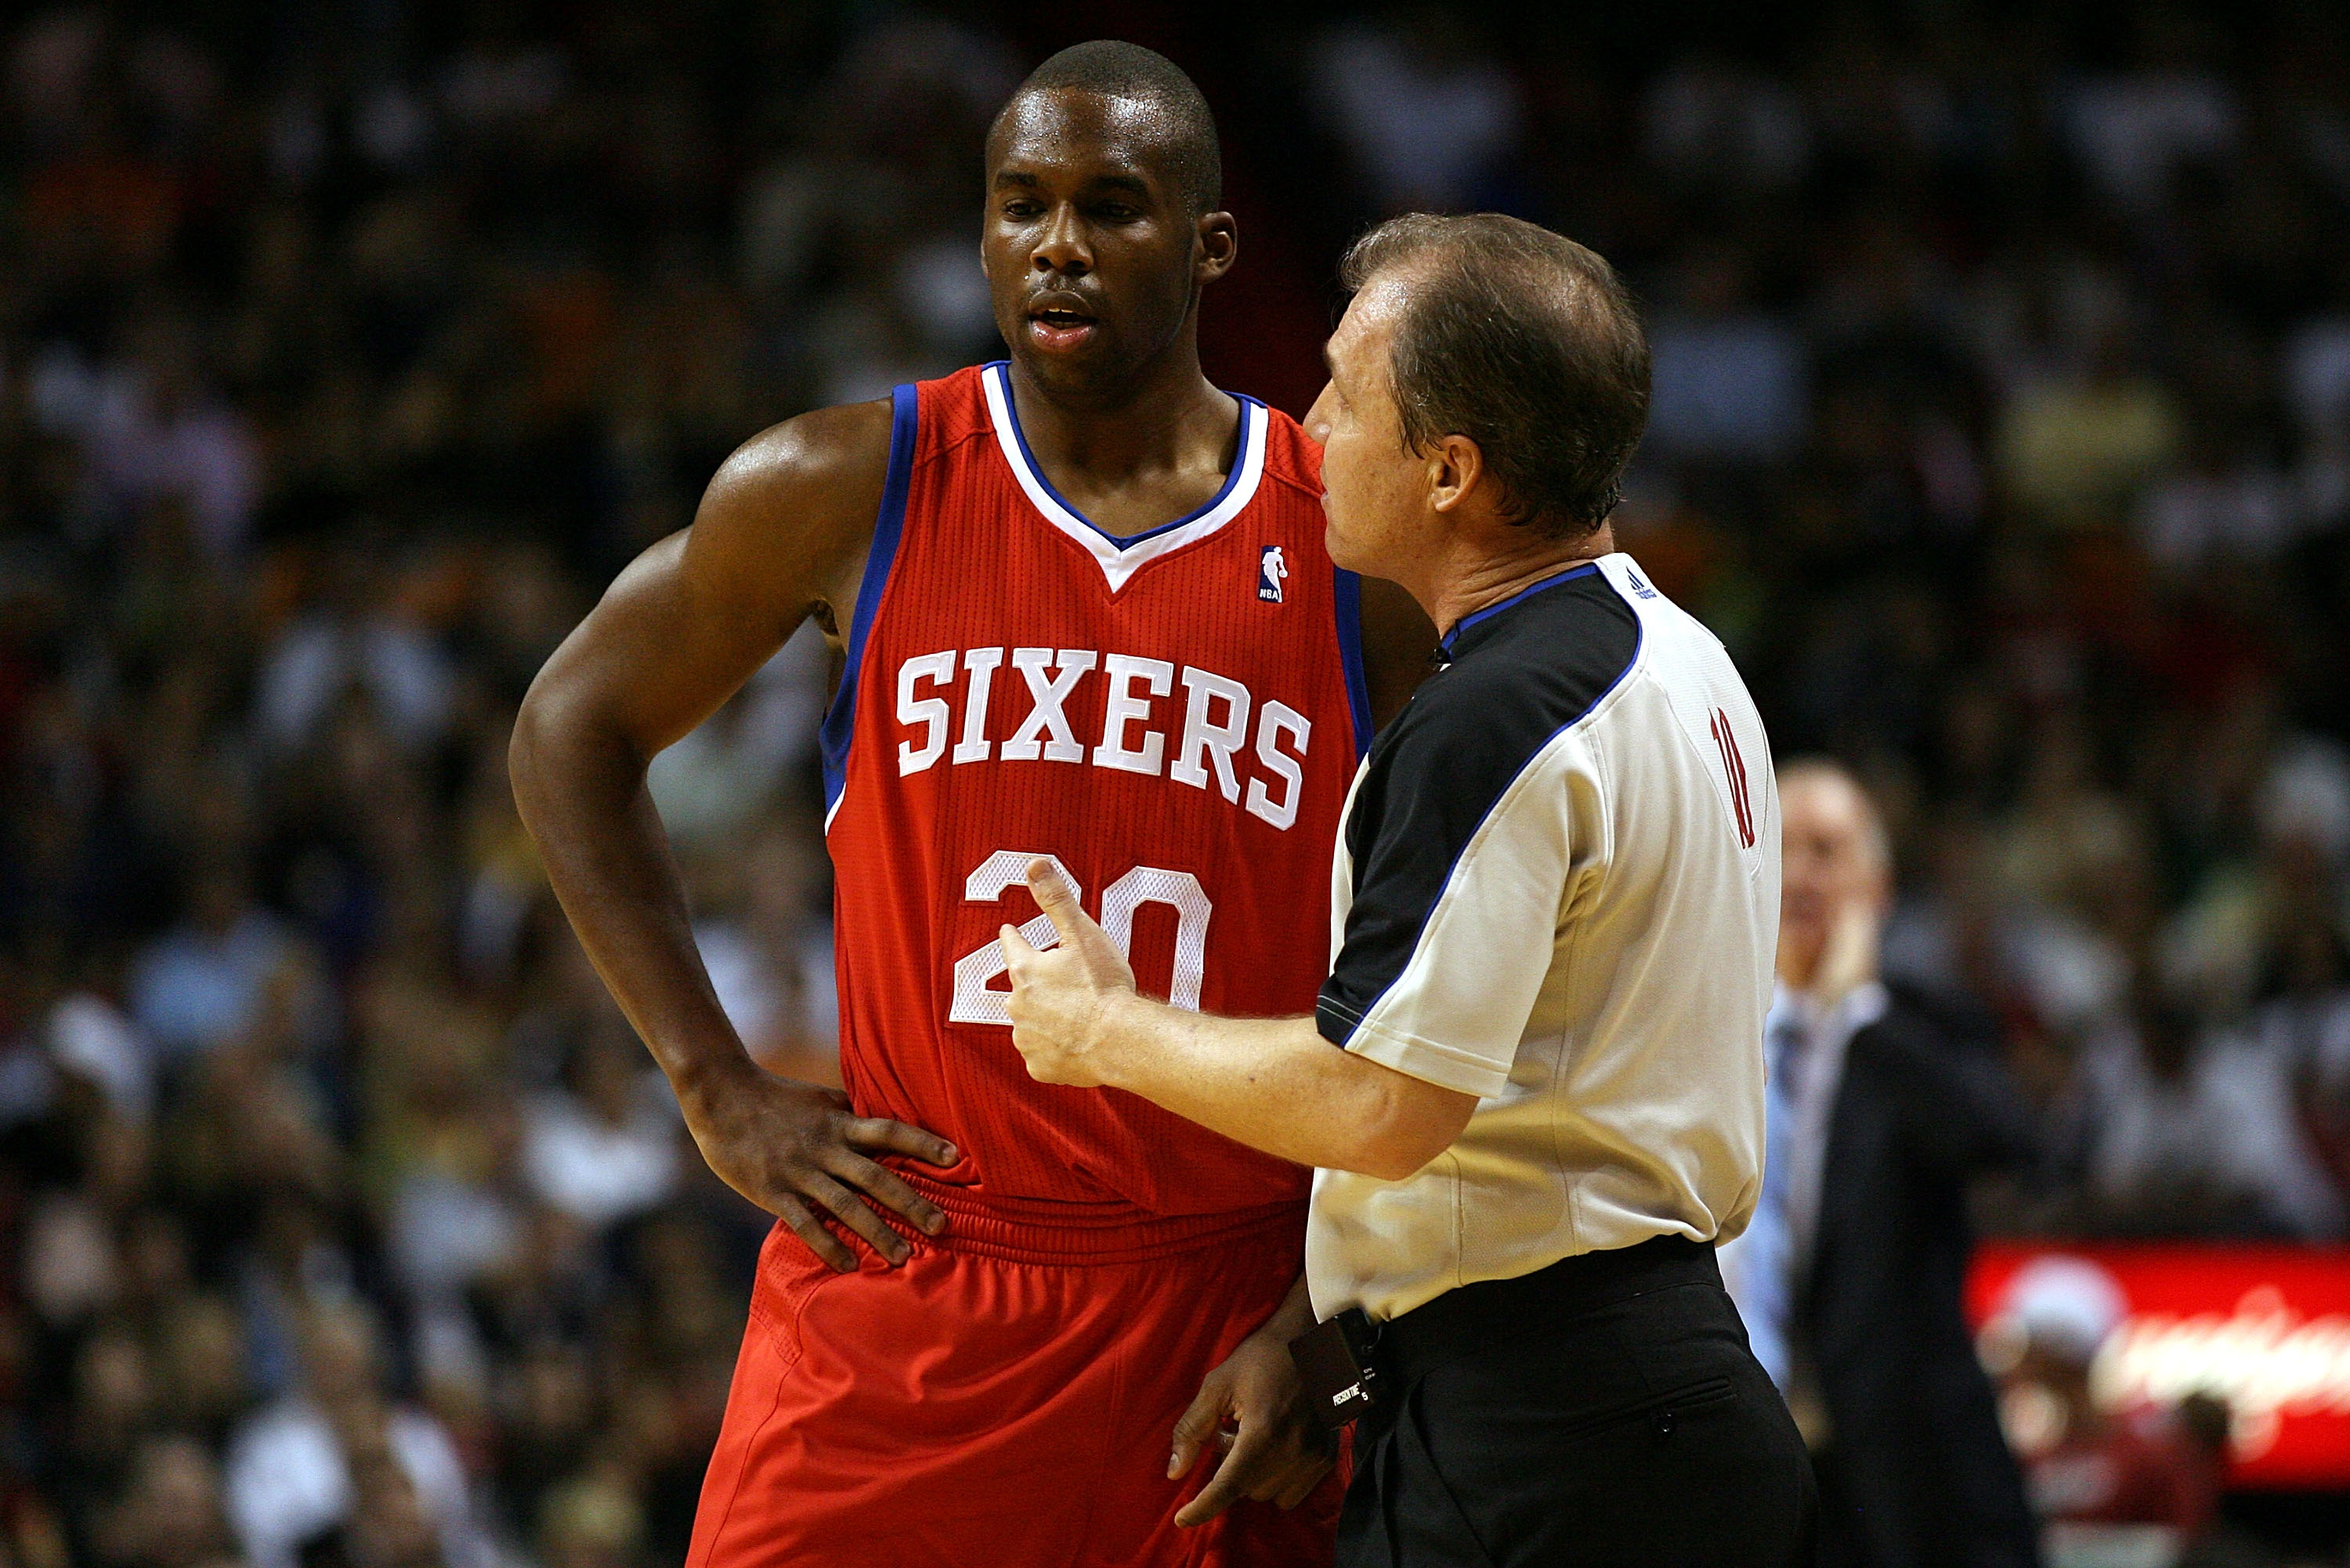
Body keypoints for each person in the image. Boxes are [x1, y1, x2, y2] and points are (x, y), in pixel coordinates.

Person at [510, 39, 1428, 1568]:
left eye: (1112, 207)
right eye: (1022, 205)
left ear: (1211, 243)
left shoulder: (1354, 548)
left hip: (1221, 1324)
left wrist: (1327, 1341)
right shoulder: (844, 482)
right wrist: (712, 1082)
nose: (1059, 243)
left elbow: (1469, 980)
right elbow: (571, 724)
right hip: (910, 1274)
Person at [1002, 211, 1814, 1566]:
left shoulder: (1495, 715)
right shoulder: (1682, 654)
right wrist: (1326, 1337)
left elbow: (1385, 1102)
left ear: (1450, 471)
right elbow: (1539, 1096)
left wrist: (1104, 1032)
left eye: (1344, 393)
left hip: (1552, 1442)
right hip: (1645, 1401)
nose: (1309, 425)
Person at [1719, 761, 2041, 1568]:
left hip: (1906, 1469)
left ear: (1879, 885)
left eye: (1827, 850)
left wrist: (1856, 1012)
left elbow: (2008, 1142)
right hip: (1739, 1455)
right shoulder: (1705, 1033)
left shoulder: (1921, 1026)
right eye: (1782, 849)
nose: (1801, 875)